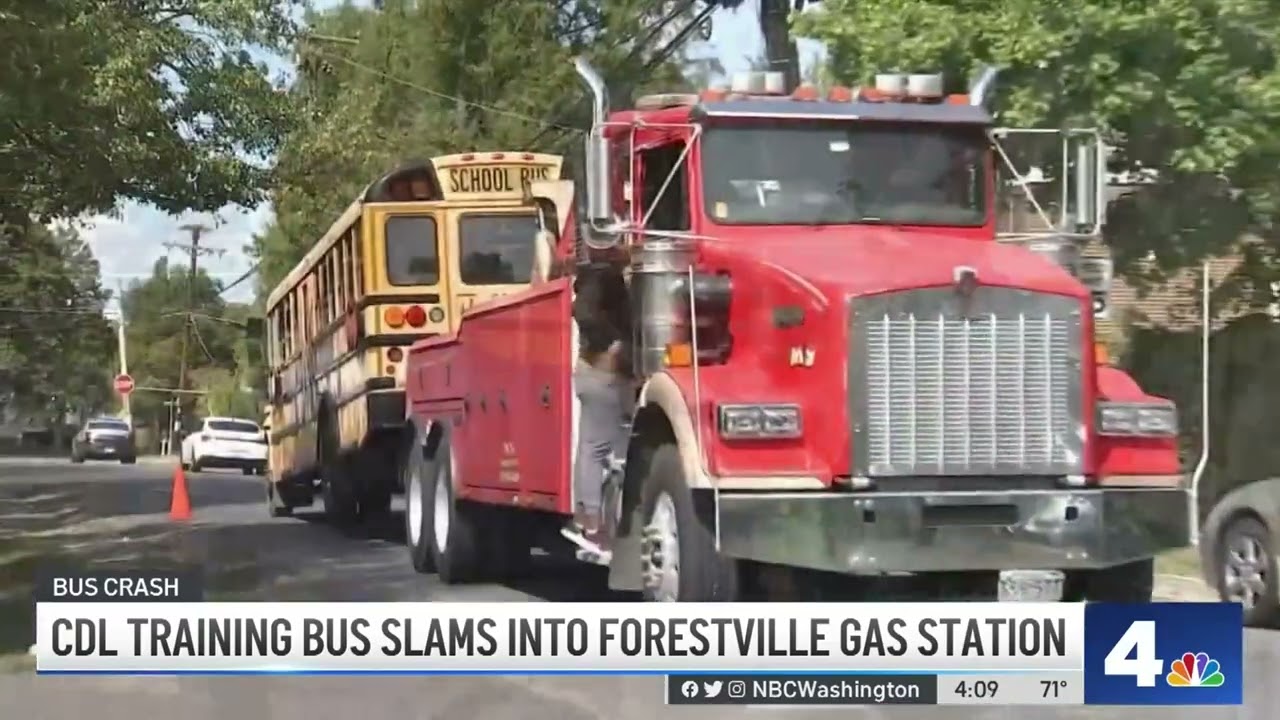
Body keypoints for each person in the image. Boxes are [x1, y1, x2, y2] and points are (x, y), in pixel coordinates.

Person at [562, 258, 633, 554]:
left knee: (592, 448)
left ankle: (585, 521)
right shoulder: (604, 274)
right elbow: (582, 312)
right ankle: (592, 527)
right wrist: (613, 344)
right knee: (598, 449)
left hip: (594, 374)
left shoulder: (597, 274)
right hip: (602, 375)